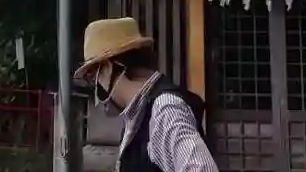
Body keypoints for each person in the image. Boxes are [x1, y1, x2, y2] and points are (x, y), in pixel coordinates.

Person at [74, 17, 217, 172]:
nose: (96, 86)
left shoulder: (165, 109)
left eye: (93, 76)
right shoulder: (139, 116)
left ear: (107, 69)